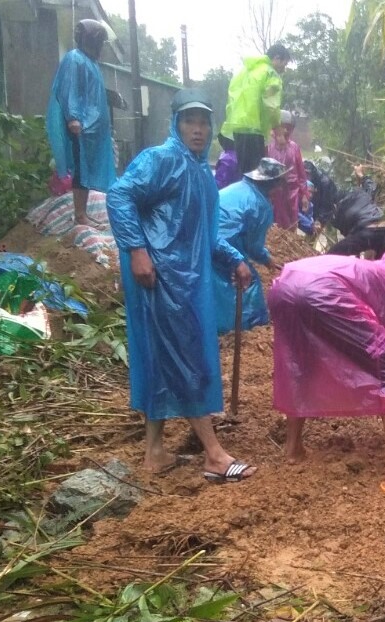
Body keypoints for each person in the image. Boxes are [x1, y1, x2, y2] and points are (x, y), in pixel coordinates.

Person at [107, 88, 256, 483]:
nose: (198, 129)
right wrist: (137, 250)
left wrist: (233, 258)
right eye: (190, 120)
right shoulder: (161, 160)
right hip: (158, 276)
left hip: (184, 281)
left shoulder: (201, 174)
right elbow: (120, 196)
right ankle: (214, 454)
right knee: (185, 356)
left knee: (162, 356)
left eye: (204, 122)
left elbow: (205, 234)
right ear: (175, 122)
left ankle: (155, 451)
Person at [267, 249, 385, 494]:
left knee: (302, 361)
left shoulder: (372, 272)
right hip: (323, 290)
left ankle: (293, 450)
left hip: (284, 286)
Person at [46, 19, 117, 226]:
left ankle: (82, 213)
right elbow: (70, 90)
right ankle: (79, 215)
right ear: (92, 40)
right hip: (81, 128)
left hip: (92, 129)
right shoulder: (74, 59)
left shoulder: (91, 63)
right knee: (80, 169)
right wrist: (74, 118)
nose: (102, 46)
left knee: (85, 170)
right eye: (100, 42)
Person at [213, 156, 286, 335]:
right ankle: (250, 328)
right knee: (247, 281)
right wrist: (266, 259)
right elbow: (252, 244)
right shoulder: (259, 205)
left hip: (206, 236)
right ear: (273, 184)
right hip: (223, 242)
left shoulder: (240, 187)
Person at [220, 43, 291, 174]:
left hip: (238, 127)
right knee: (255, 175)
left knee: (244, 173)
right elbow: (272, 104)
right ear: (276, 58)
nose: (283, 69)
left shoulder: (245, 71)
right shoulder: (270, 73)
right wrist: (277, 128)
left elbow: (232, 97)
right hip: (254, 128)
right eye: (284, 64)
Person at [267, 110, 307, 231]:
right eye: (284, 127)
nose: (286, 131)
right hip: (273, 193)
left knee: (290, 226)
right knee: (274, 227)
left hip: (291, 193)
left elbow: (301, 174)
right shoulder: (268, 146)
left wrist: (304, 195)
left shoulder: (294, 147)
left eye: (289, 128)